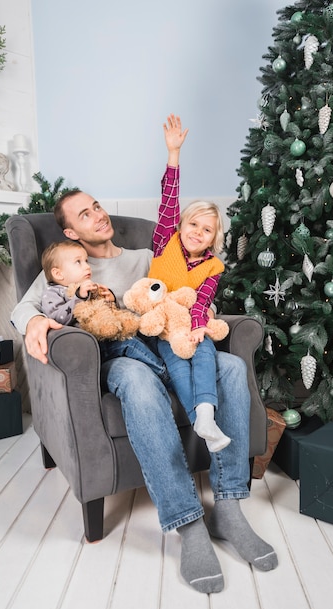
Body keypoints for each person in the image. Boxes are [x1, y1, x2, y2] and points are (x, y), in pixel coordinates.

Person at [11, 115, 278, 594]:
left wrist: (199, 309)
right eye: (85, 214)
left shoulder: (147, 254)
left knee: (234, 367)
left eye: (96, 206)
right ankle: (188, 522)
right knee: (137, 380)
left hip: (167, 343)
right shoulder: (70, 268)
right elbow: (28, 305)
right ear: (71, 234)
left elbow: (186, 280)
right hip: (118, 359)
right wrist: (34, 321)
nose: (97, 214)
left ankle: (231, 508)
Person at [149, 114, 230, 453]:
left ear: (214, 238)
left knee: (205, 352)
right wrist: (174, 155)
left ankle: (206, 417)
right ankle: (200, 415)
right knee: (177, 363)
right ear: (182, 225)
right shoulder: (165, 239)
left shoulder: (214, 266)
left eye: (207, 229)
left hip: (190, 324)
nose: (198, 231)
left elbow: (203, 300)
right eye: (193, 223)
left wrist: (199, 328)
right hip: (163, 325)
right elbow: (169, 199)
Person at [39, 239, 169, 382]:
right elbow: (57, 318)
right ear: (58, 274)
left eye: (86, 261)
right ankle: (164, 374)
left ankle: (164, 365)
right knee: (129, 343)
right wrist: (79, 297)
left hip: (109, 335)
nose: (87, 267)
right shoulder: (52, 293)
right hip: (94, 346)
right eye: (78, 262)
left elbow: (107, 313)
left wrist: (111, 300)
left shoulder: (88, 286)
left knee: (142, 335)